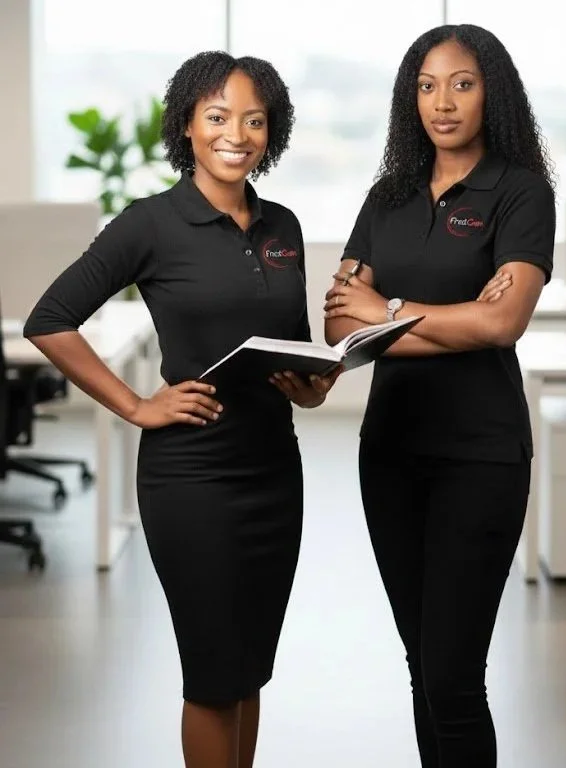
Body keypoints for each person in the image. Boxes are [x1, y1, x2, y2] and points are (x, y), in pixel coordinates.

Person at [23, 51, 339, 768]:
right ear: (188, 128)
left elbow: (289, 344)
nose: (238, 133)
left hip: (272, 471)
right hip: (191, 477)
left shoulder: (283, 225)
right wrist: (136, 404)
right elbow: (50, 319)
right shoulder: (150, 224)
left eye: (254, 120)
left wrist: (313, 383)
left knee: (251, 666)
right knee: (213, 676)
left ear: (272, 132)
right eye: (219, 117)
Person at [324, 24, 555, 768]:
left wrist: (386, 311)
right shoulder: (385, 196)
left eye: (461, 83)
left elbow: (503, 320)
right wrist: (453, 322)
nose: (442, 102)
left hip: (479, 457)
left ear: (493, 91)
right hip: (389, 452)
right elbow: (336, 318)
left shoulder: (519, 192)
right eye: (426, 86)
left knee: (454, 678)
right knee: (423, 667)